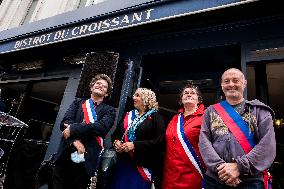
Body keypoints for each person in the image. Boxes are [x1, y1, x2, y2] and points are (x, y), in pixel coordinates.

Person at [199, 68, 276, 189]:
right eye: (226, 81)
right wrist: (223, 170)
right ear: (222, 85)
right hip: (215, 179)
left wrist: (239, 167)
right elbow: (204, 142)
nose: (231, 84)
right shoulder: (210, 111)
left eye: (235, 80)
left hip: (250, 181)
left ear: (244, 83)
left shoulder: (259, 111)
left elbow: (267, 145)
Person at [52, 74, 116, 189]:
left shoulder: (110, 111)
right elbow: (64, 123)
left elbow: (101, 127)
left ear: (106, 93)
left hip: (86, 158)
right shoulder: (78, 102)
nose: (100, 86)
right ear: (91, 87)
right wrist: (74, 140)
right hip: (65, 154)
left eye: (104, 86)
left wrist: (73, 128)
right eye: (98, 84)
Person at [109, 88, 165, 189]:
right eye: (134, 95)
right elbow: (115, 135)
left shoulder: (156, 117)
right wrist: (116, 142)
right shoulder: (128, 115)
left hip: (141, 166)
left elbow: (159, 141)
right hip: (122, 163)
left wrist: (134, 145)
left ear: (146, 99)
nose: (134, 98)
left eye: (138, 95)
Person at [162, 83, 206, 189]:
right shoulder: (174, 119)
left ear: (198, 99)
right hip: (169, 178)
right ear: (181, 99)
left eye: (193, 93)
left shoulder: (206, 118)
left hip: (192, 178)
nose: (189, 94)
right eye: (185, 93)